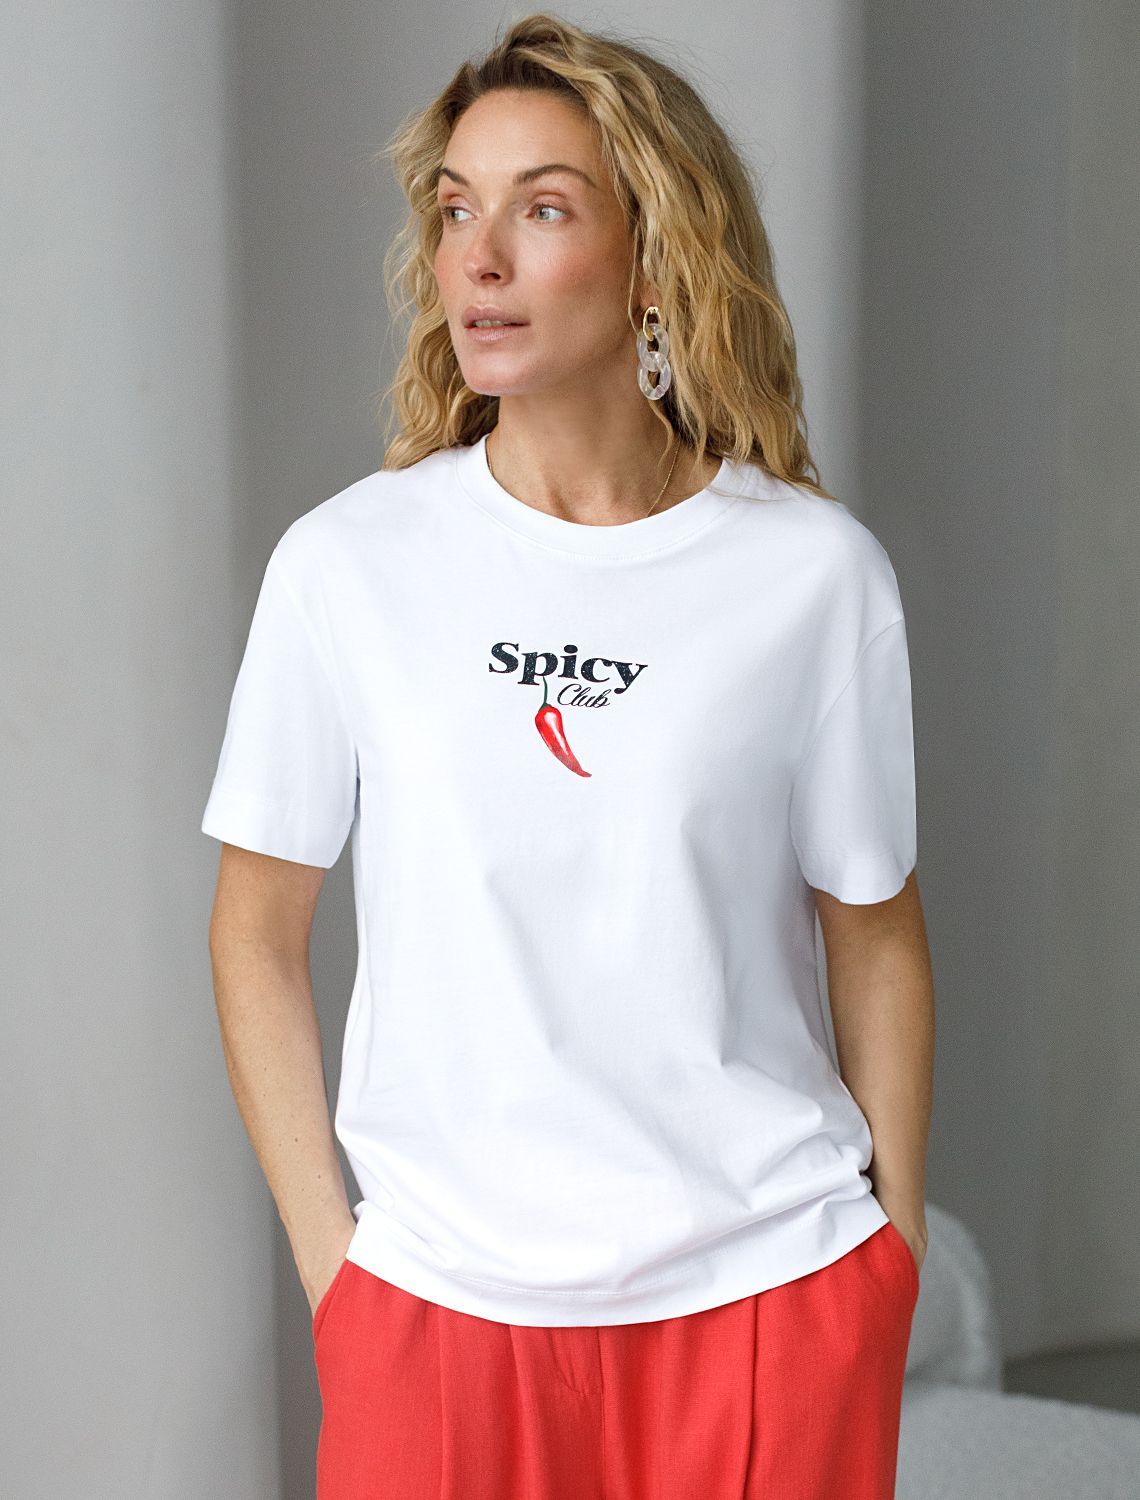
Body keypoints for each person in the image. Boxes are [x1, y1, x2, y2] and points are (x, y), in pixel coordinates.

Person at [202, 13, 934, 1499]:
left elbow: (875, 935)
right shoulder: (349, 566)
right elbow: (254, 934)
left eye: (541, 210)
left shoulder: (811, 575)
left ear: (656, 256)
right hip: (440, 1315)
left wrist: (888, 1262)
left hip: (767, 1300)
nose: (478, 257)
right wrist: (340, 1274)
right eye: (455, 211)